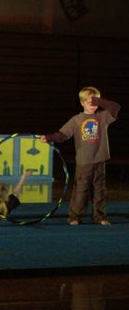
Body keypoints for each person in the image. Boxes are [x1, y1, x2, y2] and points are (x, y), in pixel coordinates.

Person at [40, 86, 120, 225]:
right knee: (81, 190)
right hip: (84, 161)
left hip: (100, 160)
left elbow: (115, 107)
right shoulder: (76, 120)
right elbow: (63, 135)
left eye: (96, 103)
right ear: (82, 103)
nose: (94, 106)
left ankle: (100, 216)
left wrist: (98, 100)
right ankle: (75, 216)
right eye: (90, 103)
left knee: (99, 190)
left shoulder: (102, 117)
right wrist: (49, 137)